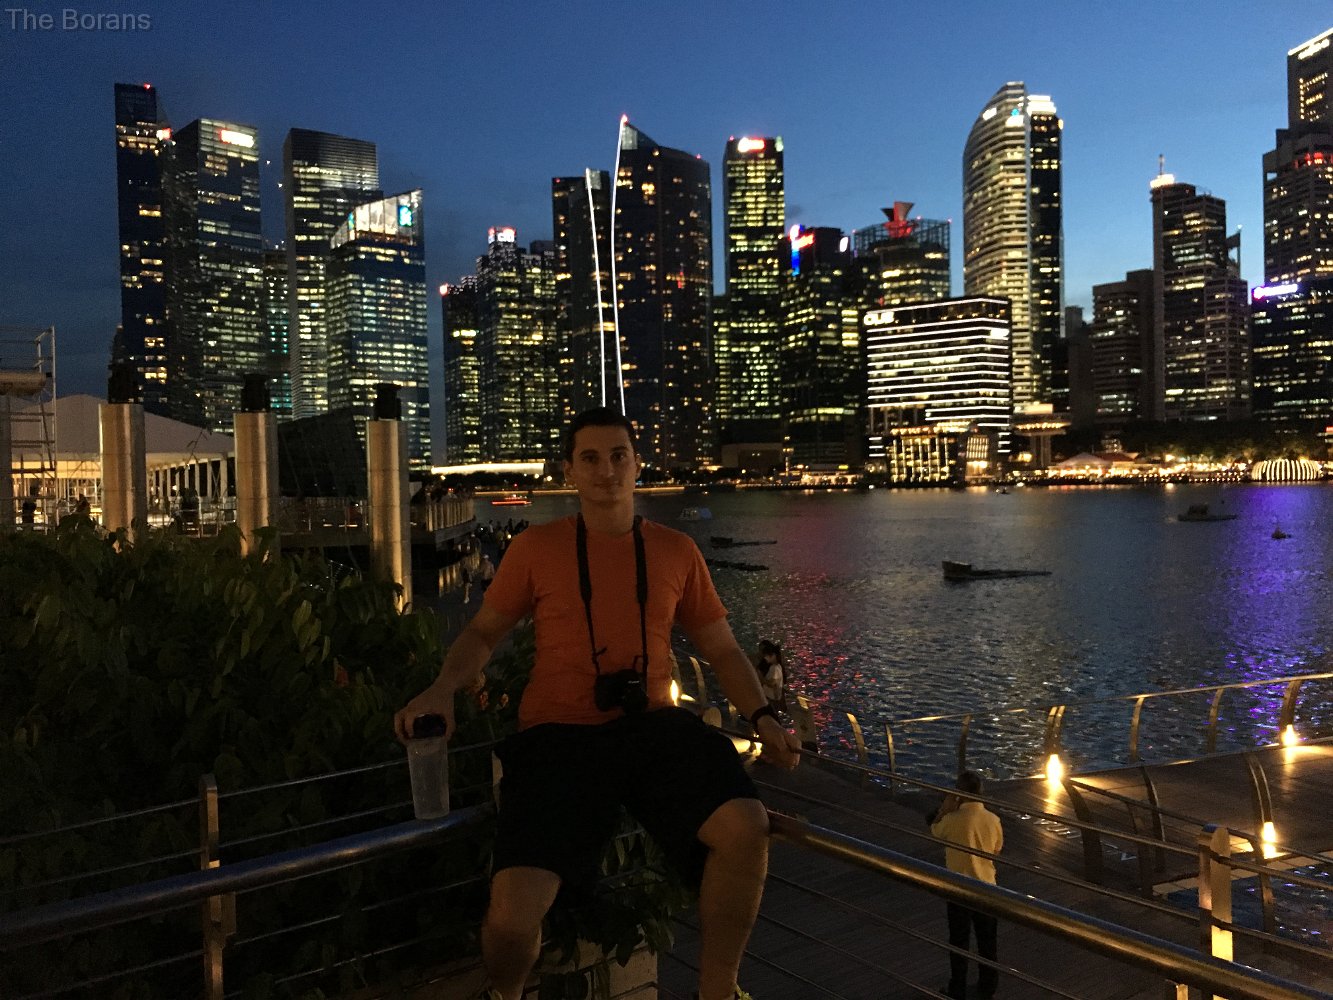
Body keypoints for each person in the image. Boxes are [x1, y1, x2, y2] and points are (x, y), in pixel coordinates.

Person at [394, 406, 800, 1000]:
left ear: (637, 465)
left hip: (651, 726)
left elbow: (721, 649)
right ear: (570, 471)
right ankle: (505, 994)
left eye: (618, 456)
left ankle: (718, 989)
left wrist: (764, 717)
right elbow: (482, 633)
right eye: (590, 458)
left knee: (746, 827)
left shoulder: (676, 550)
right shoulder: (536, 547)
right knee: (512, 915)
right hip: (557, 735)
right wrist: (441, 689)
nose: (606, 470)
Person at [929, 770, 1004, 1000]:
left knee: (959, 942)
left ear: (959, 794)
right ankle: (988, 987)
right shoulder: (993, 820)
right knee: (987, 942)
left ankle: (958, 988)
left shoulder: (953, 820)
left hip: (959, 888)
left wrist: (944, 810)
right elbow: (996, 849)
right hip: (987, 888)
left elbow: (935, 831)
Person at [752, 640, 786, 715]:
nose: (764, 656)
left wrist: (761, 679)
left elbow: (772, 683)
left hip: (770, 696)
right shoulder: (776, 666)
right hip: (769, 695)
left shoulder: (773, 667)